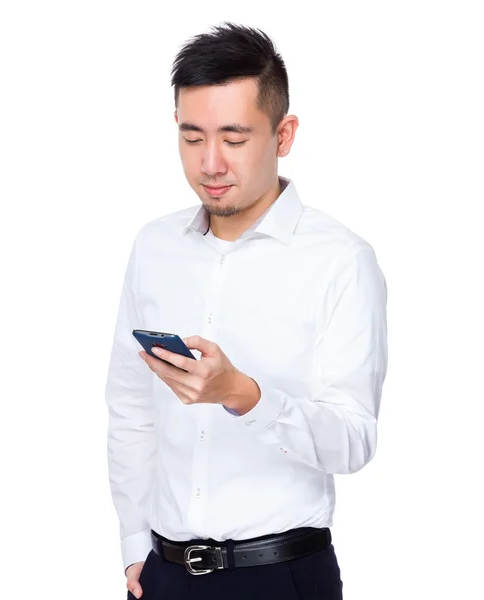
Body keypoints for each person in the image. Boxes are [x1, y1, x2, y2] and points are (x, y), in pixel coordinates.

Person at [105, 21, 388, 600]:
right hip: (161, 575)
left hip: (280, 577)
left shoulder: (341, 260)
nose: (210, 163)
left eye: (234, 139)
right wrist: (135, 544)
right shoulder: (153, 246)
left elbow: (354, 440)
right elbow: (130, 405)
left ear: (283, 135)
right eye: (191, 137)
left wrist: (244, 395)